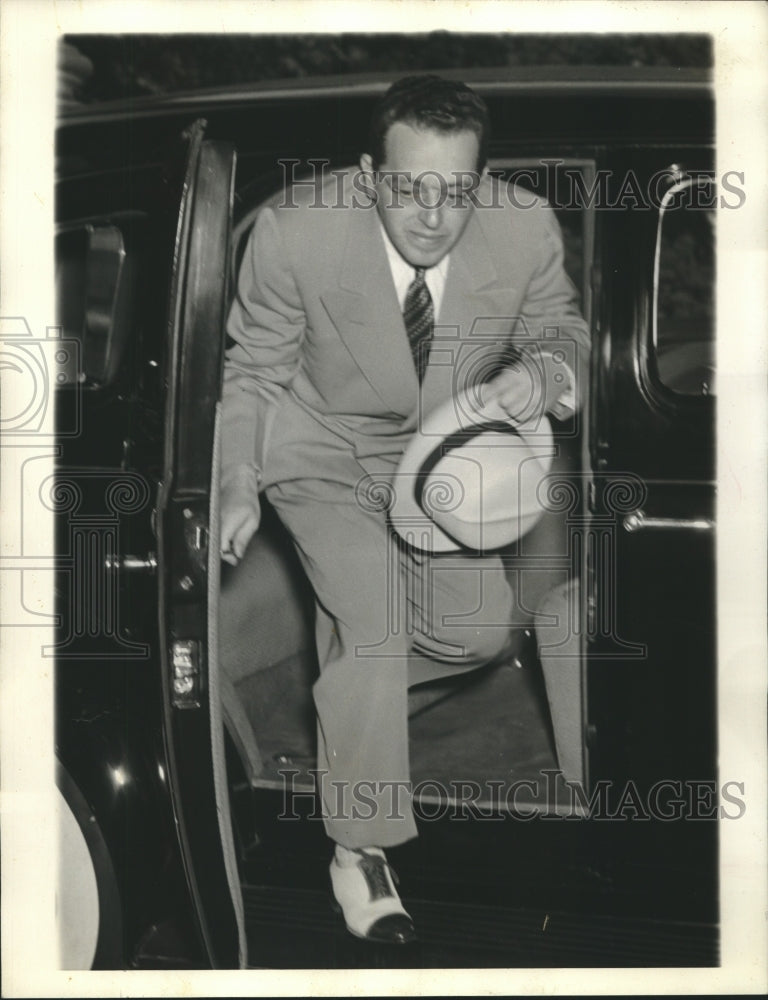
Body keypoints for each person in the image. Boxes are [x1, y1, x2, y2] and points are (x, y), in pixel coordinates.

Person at [220, 74, 589, 944]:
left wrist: (540, 374)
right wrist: (237, 475)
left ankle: (347, 713)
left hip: (442, 455)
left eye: (457, 190)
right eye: (409, 186)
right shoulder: (293, 233)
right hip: (322, 450)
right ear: (367, 174)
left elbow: (563, 329)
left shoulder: (523, 225)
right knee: (376, 626)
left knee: (477, 634)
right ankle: (362, 846)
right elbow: (253, 372)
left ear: (481, 181)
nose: (433, 213)